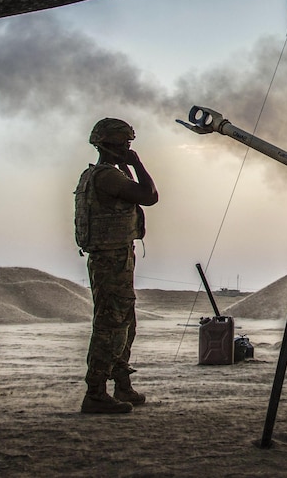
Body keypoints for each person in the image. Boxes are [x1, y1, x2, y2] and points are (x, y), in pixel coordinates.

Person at [73, 117, 159, 414]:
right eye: (126, 144)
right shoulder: (108, 176)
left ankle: (121, 383)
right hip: (111, 260)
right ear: (116, 145)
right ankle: (95, 392)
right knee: (111, 326)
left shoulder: (97, 175)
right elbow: (150, 196)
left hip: (114, 258)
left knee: (125, 323)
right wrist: (136, 164)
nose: (128, 148)